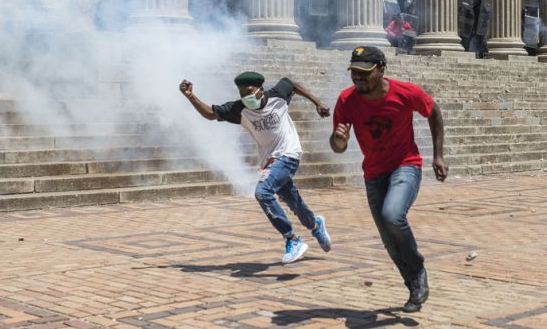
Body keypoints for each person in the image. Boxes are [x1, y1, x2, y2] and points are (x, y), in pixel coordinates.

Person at [329, 46, 448, 313]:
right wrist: (338, 140)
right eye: (354, 73)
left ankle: (417, 269)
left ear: (381, 70)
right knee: (389, 240)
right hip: (373, 174)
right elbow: (338, 146)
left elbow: (434, 113)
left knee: (393, 214)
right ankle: (415, 287)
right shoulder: (346, 100)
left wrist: (437, 156)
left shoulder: (406, 92)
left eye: (364, 73)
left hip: (405, 166)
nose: (358, 78)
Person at [180, 72, 332, 264]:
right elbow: (211, 113)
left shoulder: (278, 94)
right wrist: (190, 96)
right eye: (242, 93)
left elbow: (292, 83)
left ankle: (292, 239)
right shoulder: (240, 108)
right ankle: (315, 225)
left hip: (289, 154)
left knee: (263, 192)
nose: (246, 97)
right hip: (269, 162)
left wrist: (317, 102)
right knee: (292, 200)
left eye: (249, 92)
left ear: (260, 89)